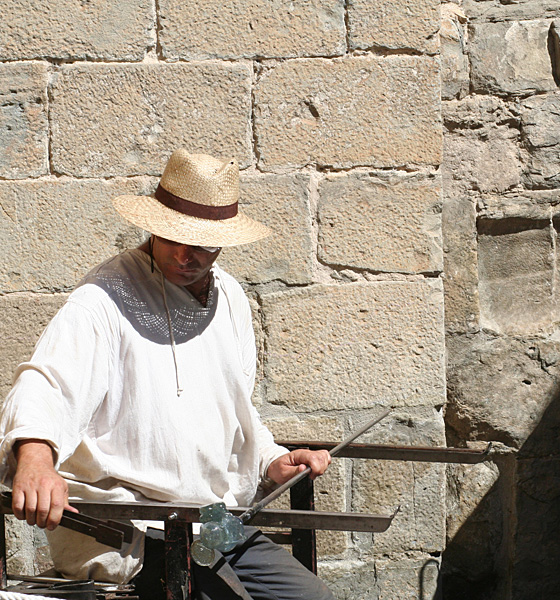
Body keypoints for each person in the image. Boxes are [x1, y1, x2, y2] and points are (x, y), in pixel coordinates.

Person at [0, 149, 335, 600]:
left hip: (213, 519)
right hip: (133, 526)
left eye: (200, 243)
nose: (183, 254)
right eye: (173, 237)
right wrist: (36, 460)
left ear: (223, 241)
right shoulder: (102, 300)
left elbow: (234, 410)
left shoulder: (231, 298)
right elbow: (48, 383)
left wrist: (269, 461)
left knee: (309, 597)